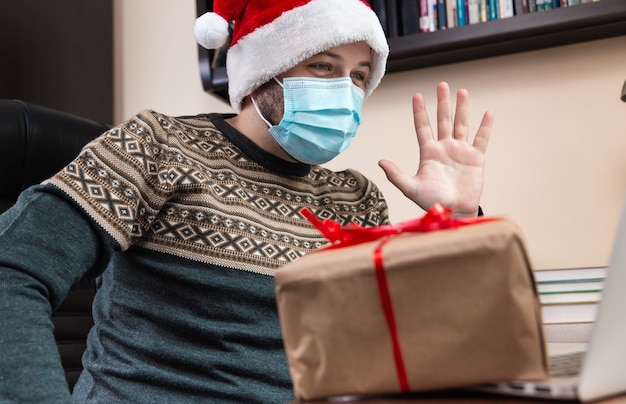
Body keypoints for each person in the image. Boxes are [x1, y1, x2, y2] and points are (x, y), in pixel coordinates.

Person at [0, 0, 493, 402]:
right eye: (323, 65)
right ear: (265, 71)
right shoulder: (158, 145)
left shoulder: (354, 199)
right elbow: (12, 270)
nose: (344, 92)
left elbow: (417, 352)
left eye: (359, 76)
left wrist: (455, 220)